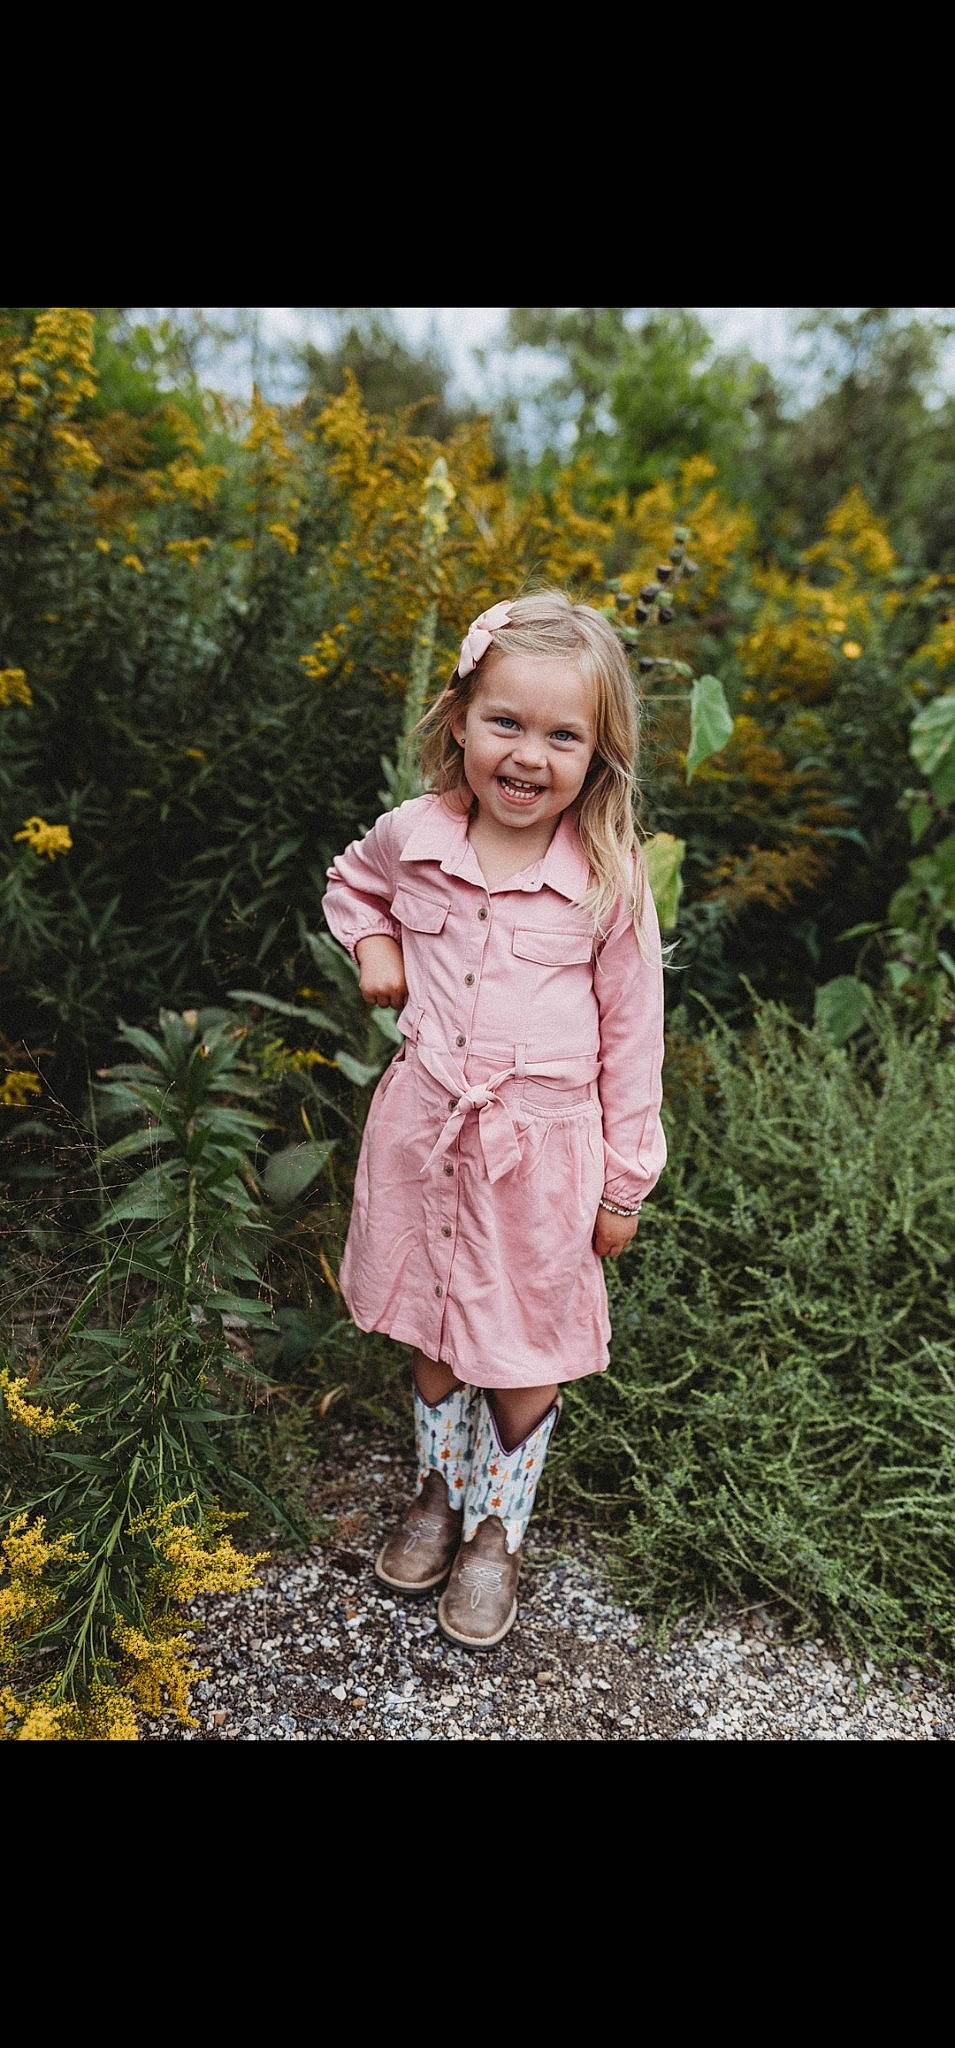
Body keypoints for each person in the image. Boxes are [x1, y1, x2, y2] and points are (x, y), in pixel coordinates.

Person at [321, 588, 667, 1650]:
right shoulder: (413, 835)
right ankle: (435, 1493)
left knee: (522, 1343)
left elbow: (633, 1034)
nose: (528, 754)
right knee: (430, 1324)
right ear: (459, 720)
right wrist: (375, 949)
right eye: (505, 722)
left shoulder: (607, 877)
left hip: (542, 1152)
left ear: (598, 753)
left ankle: (496, 1532)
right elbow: (352, 884)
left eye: (562, 734)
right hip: (427, 1133)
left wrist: (622, 1181)